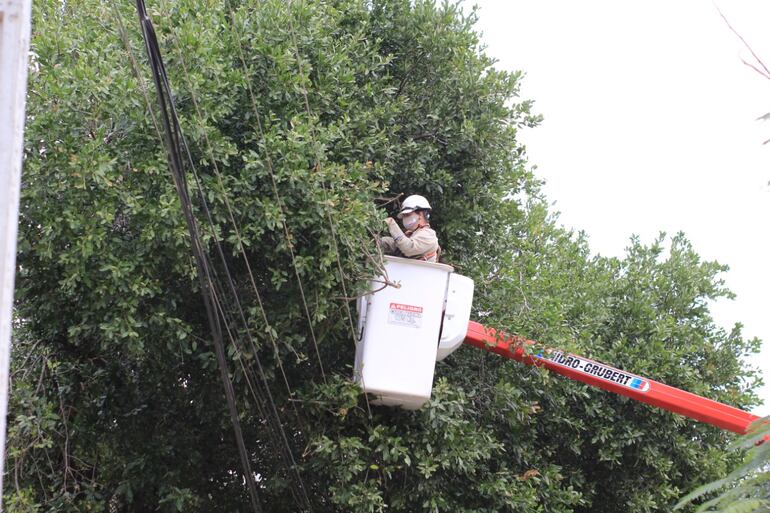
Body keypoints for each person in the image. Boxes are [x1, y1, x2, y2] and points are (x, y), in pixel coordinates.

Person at [379, 194, 440, 262]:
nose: (405, 219)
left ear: (420, 214)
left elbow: (409, 249)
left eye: (407, 215)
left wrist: (391, 224)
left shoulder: (429, 235)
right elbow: (397, 246)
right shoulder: (412, 234)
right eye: (404, 216)